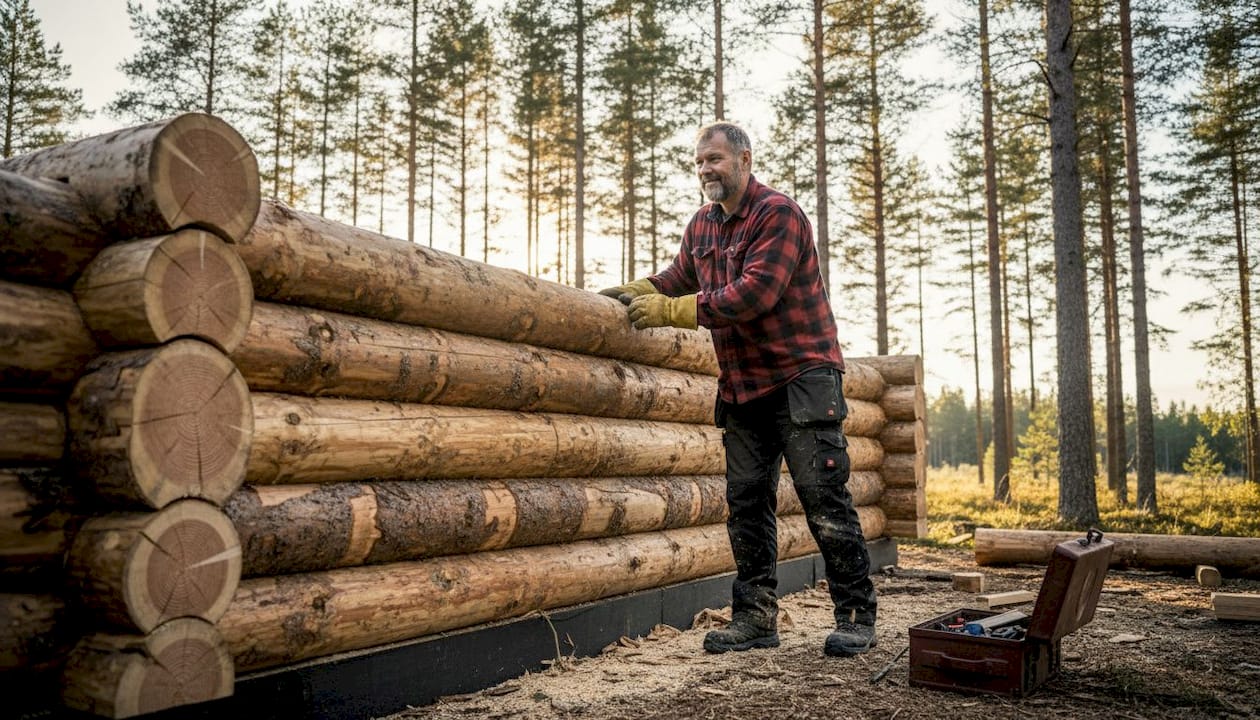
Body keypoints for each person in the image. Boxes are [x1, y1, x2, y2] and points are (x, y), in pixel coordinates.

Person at [599, 121, 877, 657]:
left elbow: (756, 294)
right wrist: (636, 291)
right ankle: (755, 618)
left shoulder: (780, 215)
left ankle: (856, 615)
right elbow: (679, 277)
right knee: (746, 503)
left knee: (823, 496)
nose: (706, 170)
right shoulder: (703, 224)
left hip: (802, 378)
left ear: (745, 160)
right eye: (700, 161)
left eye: (716, 160)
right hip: (744, 387)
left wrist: (674, 311)